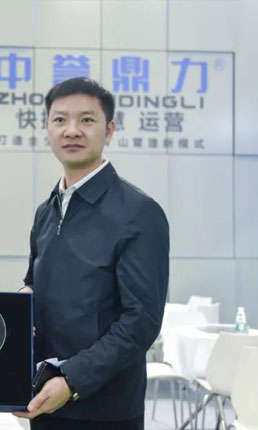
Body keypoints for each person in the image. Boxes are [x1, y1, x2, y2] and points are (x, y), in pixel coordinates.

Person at [14, 78, 169, 430]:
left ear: (109, 130)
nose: (72, 130)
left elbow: (141, 321)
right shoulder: (46, 211)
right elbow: (33, 283)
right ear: (47, 128)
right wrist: (20, 302)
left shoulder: (138, 212)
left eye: (86, 120)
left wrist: (72, 380)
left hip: (105, 410)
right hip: (44, 397)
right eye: (59, 120)